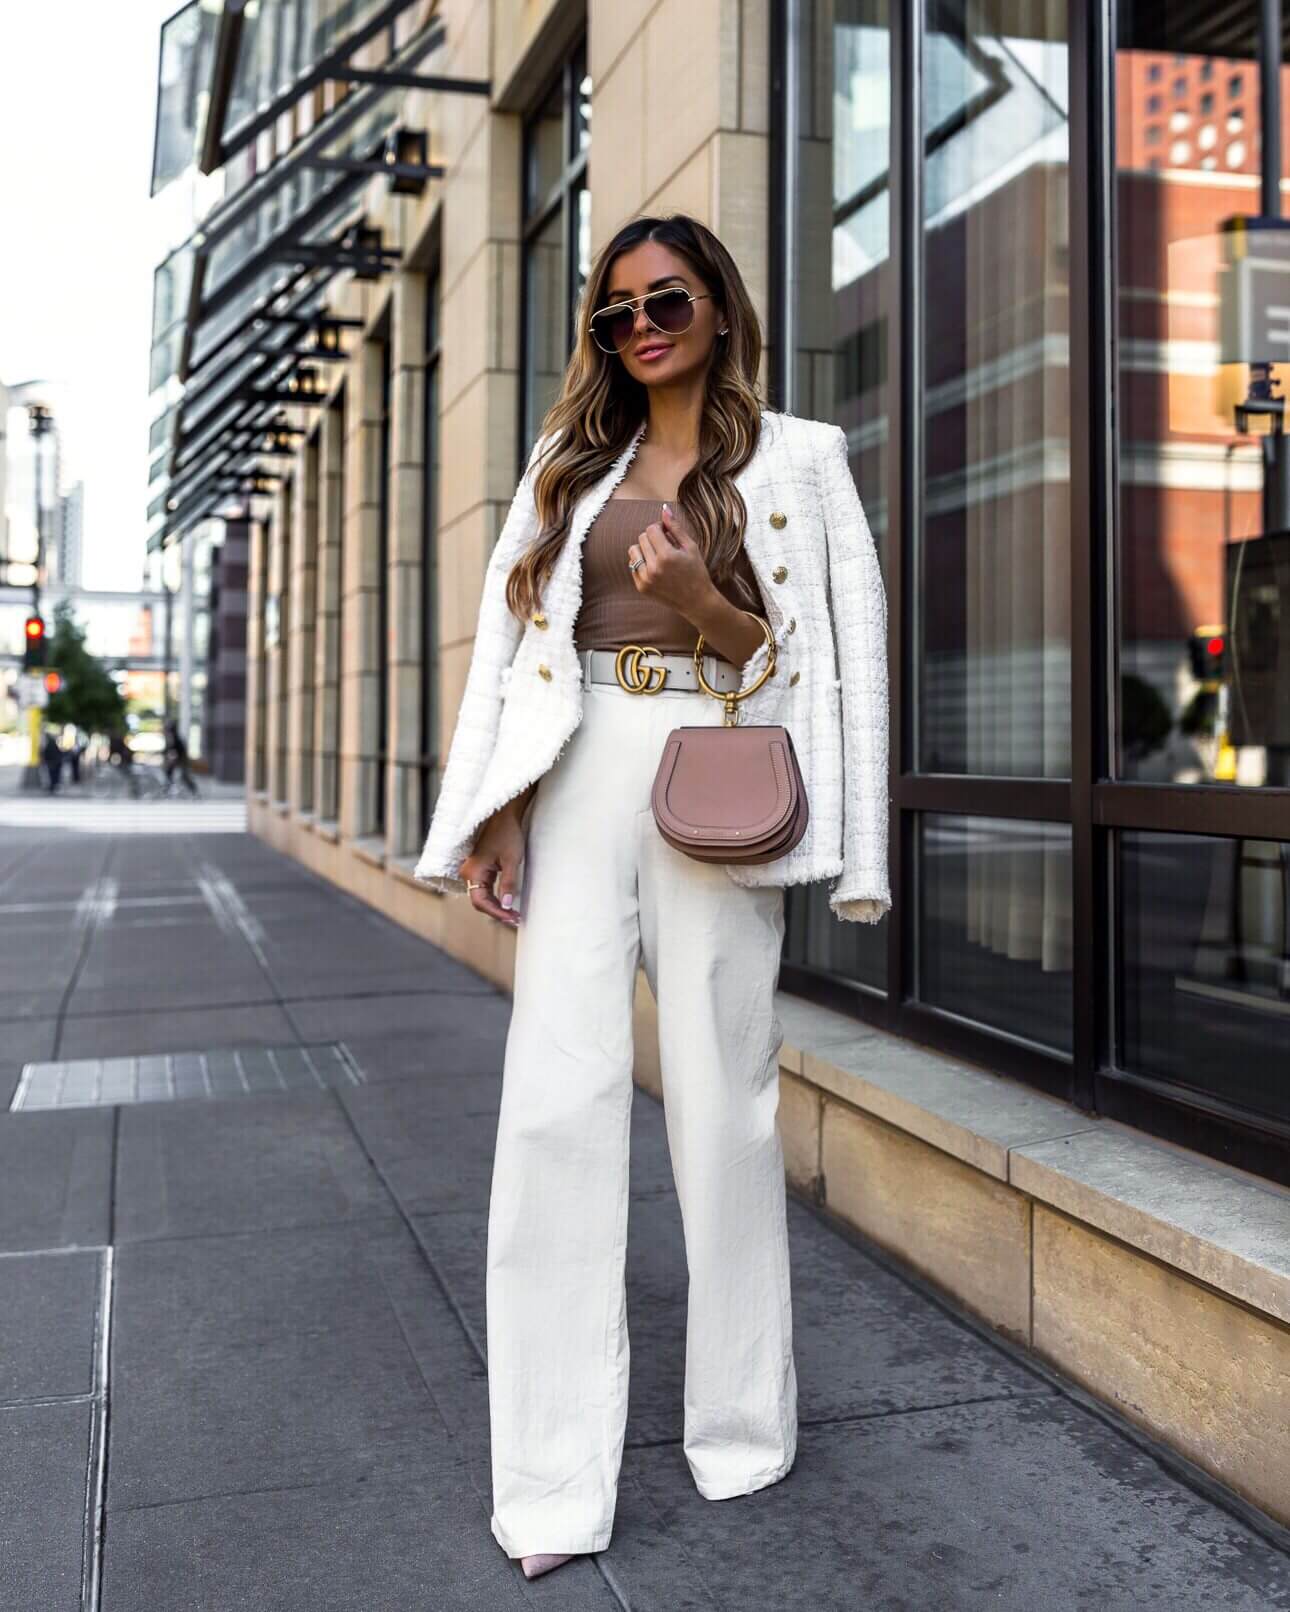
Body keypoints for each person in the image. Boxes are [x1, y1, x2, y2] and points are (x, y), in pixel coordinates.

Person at [414, 213, 891, 1580]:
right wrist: (495, 814)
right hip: (576, 778)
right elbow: (509, 657)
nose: (640, 326)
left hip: (718, 774)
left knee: (723, 1114)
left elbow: (831, 660)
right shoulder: (569, 466)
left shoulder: (801, 460)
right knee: (550, 1115)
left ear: (718, 310)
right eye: (615, 311)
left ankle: (741, 1427)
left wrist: (702, 601)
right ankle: (549, 1482)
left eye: (664, 300)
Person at [163, 718, 199, 796]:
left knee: (184, 776)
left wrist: (171, 757)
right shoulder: (173, 737)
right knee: (170, 773)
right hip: (179, 760)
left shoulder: (174, 738)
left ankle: (193, 791)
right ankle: (169, 789)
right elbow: (170, 750)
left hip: (181, 760)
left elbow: (174, 750)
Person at [41, 728, 63, 794]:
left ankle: (53, 786)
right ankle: (54, 786)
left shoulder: (49, 744)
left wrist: (46, 760)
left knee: (52, 775)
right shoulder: (53, 744)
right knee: (54, 775)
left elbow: (46, 753)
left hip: (53, 762)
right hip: (55, 762)